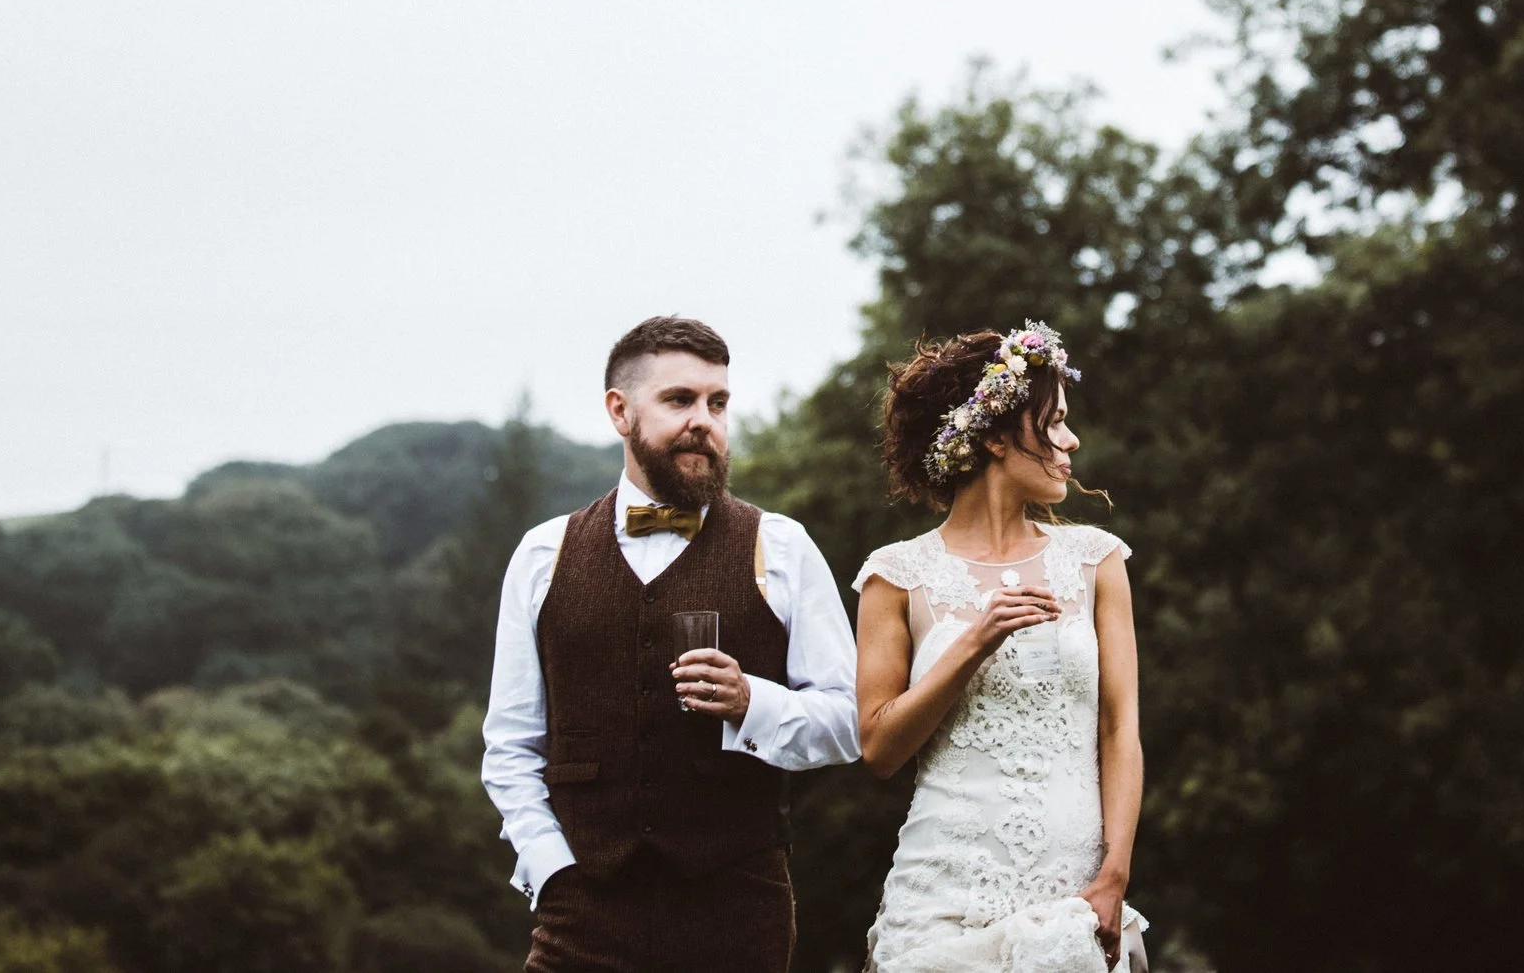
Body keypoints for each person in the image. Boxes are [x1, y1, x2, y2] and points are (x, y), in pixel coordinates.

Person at [481, 315, 860, 973]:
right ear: (619, 411)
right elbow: (511, 744)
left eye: (718, 402)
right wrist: (552, 868)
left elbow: (851, 720)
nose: (704, 420)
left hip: (737, 914)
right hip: (580, 916)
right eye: (680, 399)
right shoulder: (544, 554)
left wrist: (753, 702)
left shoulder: (783, 547)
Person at [853, 322, 1148, 973]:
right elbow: (878, 748)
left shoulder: (1096, 560)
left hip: (1071, 899)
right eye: (1056, 423)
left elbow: (1119, 725)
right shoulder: (894, 574)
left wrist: (1114, 874)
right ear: (993, 435)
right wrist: (973, 642)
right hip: (941, 907)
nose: (1071, 441)